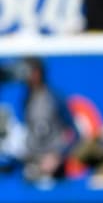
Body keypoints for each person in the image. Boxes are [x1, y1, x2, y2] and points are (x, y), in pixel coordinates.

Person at [17, 58, 76, 186]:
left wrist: (57, 157)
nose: (27, 77)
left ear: (39, 73)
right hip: (33, 163)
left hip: (55, 165)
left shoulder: (55, 97)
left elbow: (74, 133)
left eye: (30, 72)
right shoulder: (26, 99)